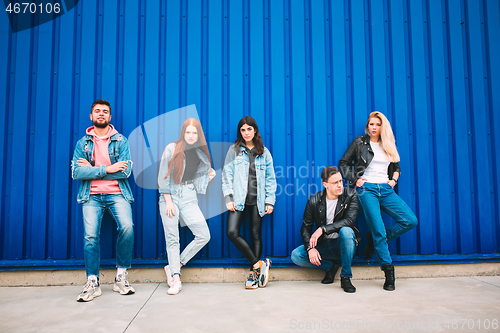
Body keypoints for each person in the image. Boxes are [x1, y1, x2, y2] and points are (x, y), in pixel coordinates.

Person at [339, 111, 418, 291]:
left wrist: (394, 180)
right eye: (371, 124)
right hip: (367, 189)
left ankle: (373, 240)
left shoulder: (387, 144)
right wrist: (356, 180)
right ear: (367, 127)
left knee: (410, 220)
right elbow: (343, 163)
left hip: (386, 189)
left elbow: (396, 165)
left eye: (377, 124)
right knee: (379, 229)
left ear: (383, 127)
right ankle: (389, 273)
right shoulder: (360, 142)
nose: (374, 128)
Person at [71, 99, 135, 302]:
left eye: (105, 111)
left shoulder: (121, 141)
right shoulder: (83, 143)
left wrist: (91, 170)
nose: (101, 114)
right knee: (91, 236)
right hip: (91, 195)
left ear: (110, 117)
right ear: (91, 116)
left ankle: (121, 276)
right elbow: (76, 172)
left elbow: (125, 172)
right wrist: (108, 169)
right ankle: (92, 282)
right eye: (97, 111)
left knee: (127, 227)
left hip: (117, 193)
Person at [158, 118, 215, 295]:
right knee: (172, 238)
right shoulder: (171, 148)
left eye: (194, 132)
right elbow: (162, 177)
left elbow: (198, 183)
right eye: (188, 132)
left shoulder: (200, 154)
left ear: (199, 135)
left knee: (203, 235)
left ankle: (176, 265)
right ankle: (176, 278)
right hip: (170, 196)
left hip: (189, 197)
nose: (191, 136)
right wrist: (168, 201)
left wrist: (209, 177)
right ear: (183, 133)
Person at [222, 116, 277, 289]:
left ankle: (254, 275)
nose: (246, 133)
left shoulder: (264, 152)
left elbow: (270, 178)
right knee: (231, 232)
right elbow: (227, 175)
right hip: (238, 200)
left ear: (255, 130)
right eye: (243, 130)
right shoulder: (234, 150)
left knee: (255, 235)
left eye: (249, 129)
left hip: (258, 201)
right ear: (240, 131)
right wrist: (228, 198)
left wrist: (270, 201)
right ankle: (258, 264)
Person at [291, 166, 361, 293]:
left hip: (344, 244)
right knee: (296, 256)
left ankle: (345, 276)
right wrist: (310, 248)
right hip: (324, 245)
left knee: (346, 231)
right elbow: (305, 228)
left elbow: (349, 221)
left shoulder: (351, 195)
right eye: (335, 183)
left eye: (341, 181)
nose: (340, 185)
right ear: (325, 184)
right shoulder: (314, 200)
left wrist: (322, 229)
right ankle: (330, 266)